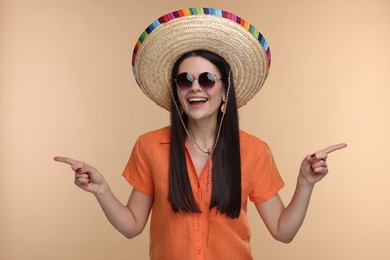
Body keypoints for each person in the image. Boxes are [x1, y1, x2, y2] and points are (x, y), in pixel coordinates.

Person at [54, 7, 346, 260]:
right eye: (185, 80)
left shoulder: (254, 150)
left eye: (207, 79)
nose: (195, 87)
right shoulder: (149, 146)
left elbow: (283, 231)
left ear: (224, 89)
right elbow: (132, 226)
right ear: (176, 90)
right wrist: (102, 190)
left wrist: (305, 183)